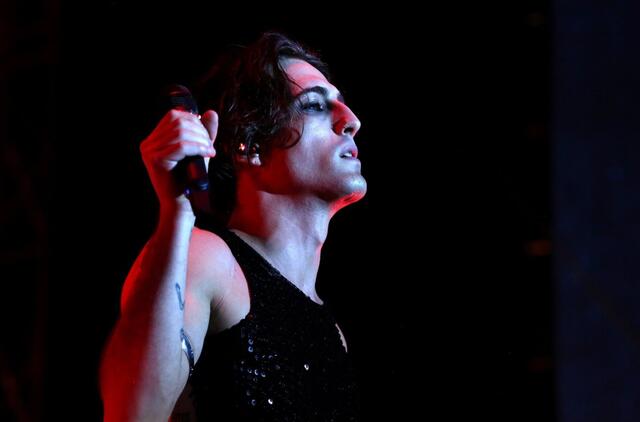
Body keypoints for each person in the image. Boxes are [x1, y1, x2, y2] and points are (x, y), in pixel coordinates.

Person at [99, 31, 366, 421]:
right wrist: (178, 214)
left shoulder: (332, 332)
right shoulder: (207, 259)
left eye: (342, 104)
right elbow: (133, 412)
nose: (351, 121)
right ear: (250, 145)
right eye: (313, 105)